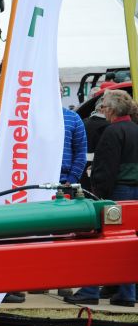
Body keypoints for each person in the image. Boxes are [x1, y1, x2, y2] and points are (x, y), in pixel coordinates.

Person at [64, 90, 138, 307]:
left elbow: (106, 168)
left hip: (118, 193)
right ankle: (126, 293)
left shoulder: (111, 132)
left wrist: (99, 194)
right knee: (129, 244)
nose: (103, 111)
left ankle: (90, 290)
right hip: (135, 194)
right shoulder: (135, 129)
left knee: (99, 240)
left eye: (104, 107)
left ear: (112, 110)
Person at [60, 105, 87, 185]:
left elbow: (81, 152)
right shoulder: (31, 115)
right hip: (33, 180)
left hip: (63, 182)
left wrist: (71, 179)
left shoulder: (73, 117)